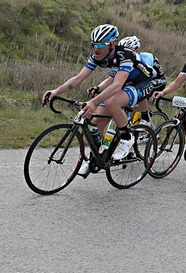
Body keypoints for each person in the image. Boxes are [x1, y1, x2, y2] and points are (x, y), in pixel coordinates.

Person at [43, 24, 155, 177]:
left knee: (112, 102)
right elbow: (77, 79)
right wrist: (56, 91)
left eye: (101, 44)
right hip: (123, 83)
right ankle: (98, 157)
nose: (96, 48)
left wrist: (94, 101)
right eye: (94, 44)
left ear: (112, 45)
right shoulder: (97, 57)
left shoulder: (126, 55)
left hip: (142, 83)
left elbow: (116, 85)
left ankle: (127, 138)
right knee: (97, 123)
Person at [116, 36, 166, 126]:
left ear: (137, 50)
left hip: (158, 80)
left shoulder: (147, 58)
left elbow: (146, 78)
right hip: (142, 80)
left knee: (140, 90)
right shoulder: (125, 60)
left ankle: (145, 118)